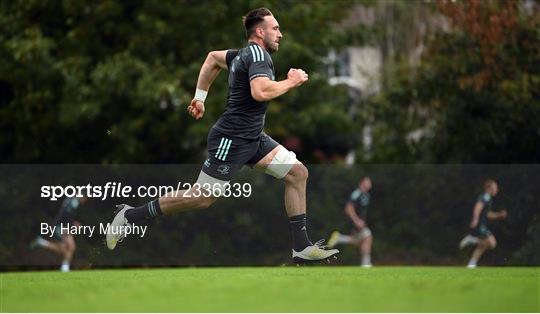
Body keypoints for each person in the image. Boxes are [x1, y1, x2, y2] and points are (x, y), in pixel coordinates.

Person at [105, 8, 338, 263]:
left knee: (297, 173)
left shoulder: (242, 54)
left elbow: (212, 58)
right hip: (232, 138)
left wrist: (199, 97)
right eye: (275, 29)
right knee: (202, 198)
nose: (280, 34)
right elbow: (260, 92)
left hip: (253, 139)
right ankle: (130, 216)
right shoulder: (258, 54)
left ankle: (301, 247)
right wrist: (291, 81)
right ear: (260, 32)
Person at [30, 196, 87, 272]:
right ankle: (64, 268)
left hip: (60, 225)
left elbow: (63, 213)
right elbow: (66, 214)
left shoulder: (70, 200)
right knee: (71, 247)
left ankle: (42, 242)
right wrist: (73, 224)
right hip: (62, 226)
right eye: (85, 198)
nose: (85, 201)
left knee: (65, 249)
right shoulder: (74, 201)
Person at [459, 179, 507, 268]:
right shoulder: (485, 197)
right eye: (495, 187)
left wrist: (499, 215)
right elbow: (477, 208)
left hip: (482, 225)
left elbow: (487, 214)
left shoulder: (488, 198)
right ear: (489, 188)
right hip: (480, 225)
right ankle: (471, 240)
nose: (496, 189)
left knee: (484, 245)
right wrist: (475, 219)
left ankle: (471, 264)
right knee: (492, 243)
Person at [327, 177, 373, 267]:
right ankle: (366, 264)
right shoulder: (357, 193)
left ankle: (340, 238)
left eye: (370, 183)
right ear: (362, 183)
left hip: (360, 222)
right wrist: (356, 220)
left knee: (359, 241)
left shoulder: (366, 195)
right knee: (368, 237)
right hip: (356, 222)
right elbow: (348, 208)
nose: (369, 185)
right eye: (367, 182)